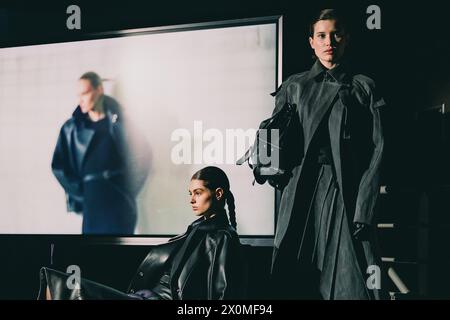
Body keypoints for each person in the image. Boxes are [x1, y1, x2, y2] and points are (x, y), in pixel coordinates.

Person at [264, 9, 387, 299]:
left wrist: (365, 205)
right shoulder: (294, 86)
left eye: (335, 34)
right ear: (311, 42)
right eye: (321, 35)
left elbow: (379, 147)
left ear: (346, 39)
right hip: (301, 189)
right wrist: (269, 168)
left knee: (353, 276)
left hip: (346, 190)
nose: (329, 41)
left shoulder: (362, 86)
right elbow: (271, 134)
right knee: (296, 275)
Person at [38, 166, 245, 300]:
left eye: (198, 193)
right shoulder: (198, 229)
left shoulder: (222, 237)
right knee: (55, 282)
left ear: (218, 194)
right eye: (190, 194)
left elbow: (222, 295)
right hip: (146, 296)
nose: (191, 200)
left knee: (63, 287)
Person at [51, 72, 150, 235]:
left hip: (120, 201)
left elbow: (143, 156)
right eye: (78, 95)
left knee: (122, 255)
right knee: (92, 255)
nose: (80, 100)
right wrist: (81, 192)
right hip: (91, 203)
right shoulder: (71, 128)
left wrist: (128, 190)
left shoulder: (122, 122)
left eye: (85, 93)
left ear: (99, 90)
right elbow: (58, 166)